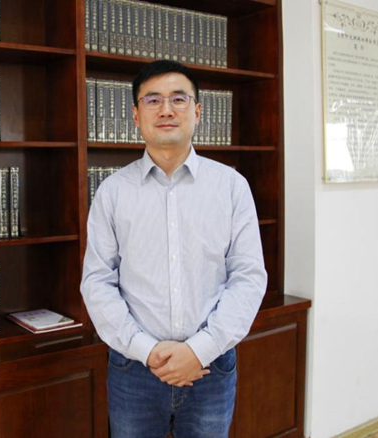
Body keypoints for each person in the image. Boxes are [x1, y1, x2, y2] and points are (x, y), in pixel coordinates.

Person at [80, 60, 267, 438]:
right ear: (136, 115)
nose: (166, 110)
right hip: (134, 370)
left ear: (197, 111)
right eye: (153, 100)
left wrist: (199, 349)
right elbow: (97, 282)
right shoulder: (113, 192)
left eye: (178, 99)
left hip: (210, 368)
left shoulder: (231, 187)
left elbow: (248, 278)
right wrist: (147, 350)